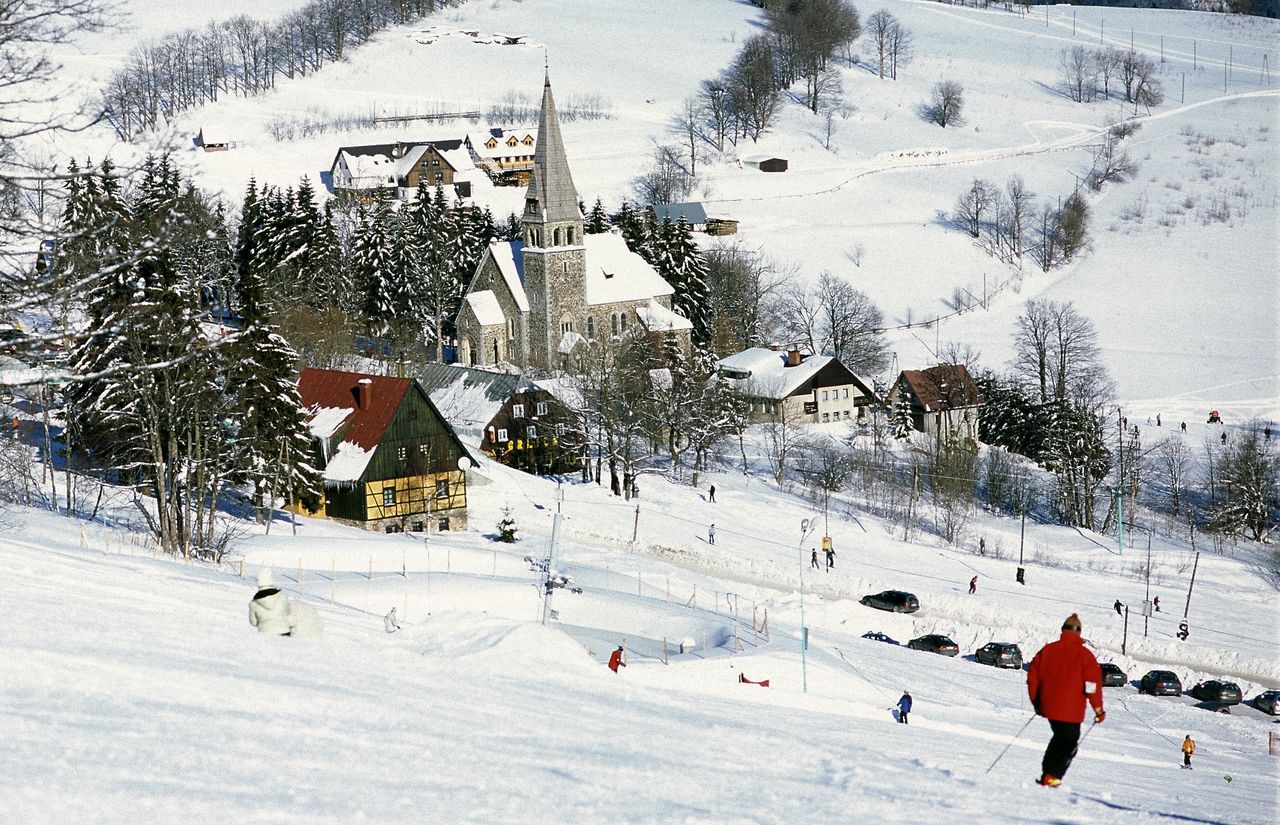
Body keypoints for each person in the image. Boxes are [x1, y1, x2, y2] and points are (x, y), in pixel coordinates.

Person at [1027, 613, 1105, 788]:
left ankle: (1047, 772)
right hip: (1071, 710)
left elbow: (1033, 677)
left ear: (1063, 630)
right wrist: (1098, 709)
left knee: (1059, 738)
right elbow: (1092, 685)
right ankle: (1052, 775)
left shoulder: (1047, 650)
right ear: (1078, 633)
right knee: (1069, 742)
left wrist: (1036, 702)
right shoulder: (1085, 656)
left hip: (1048, 707)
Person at [249, 568, 293, 636]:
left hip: (265, 633)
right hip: (283, 631)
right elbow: (288, 612)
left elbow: (253, 622)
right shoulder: (282, 597)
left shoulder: (254, 603)